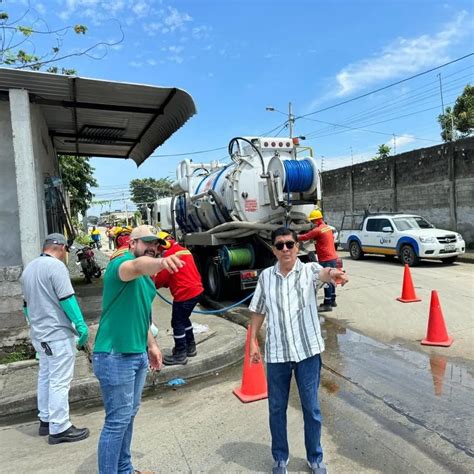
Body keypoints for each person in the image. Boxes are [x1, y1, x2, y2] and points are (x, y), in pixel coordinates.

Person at [249, 227, 348, 474]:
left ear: (297, 247)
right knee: (276, 408)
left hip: (307, 352)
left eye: (290, 244)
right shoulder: (266, 278)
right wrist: (252, 341)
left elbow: (325, 273)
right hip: (277, 354)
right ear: (273, 249)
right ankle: (280, 458)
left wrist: (335, 273)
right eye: (280, 245)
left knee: (311, 408)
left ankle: (315, 458)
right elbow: (258, 310)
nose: (285, 249)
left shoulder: (308, 270)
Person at [93, 225, 185, 474]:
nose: (153, 248)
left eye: (157, 245)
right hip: (114, 355)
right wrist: (164, 262)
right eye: (147, 243)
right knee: (117, 422)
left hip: (136, 353)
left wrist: (152, 346)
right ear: (132, 243)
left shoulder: (146, 277)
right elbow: (136, 267)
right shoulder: (121, 262)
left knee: (128, 416)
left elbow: (140, 314)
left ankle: (124, 469)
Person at [20, 233, 90, 445]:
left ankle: (46, 420)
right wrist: (81, 326)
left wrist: (35, 327)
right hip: (57, 334)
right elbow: (67, 299)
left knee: (46, 377)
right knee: (60, 381)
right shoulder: (56, 267)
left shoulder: (29, 269)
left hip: (40, 335)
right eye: (66, 251)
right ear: (60, 247)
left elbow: (26, 306)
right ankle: (60, 428)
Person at [153, 232, 204, 366]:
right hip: (196, 290)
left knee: (177, 322)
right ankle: (190, 346)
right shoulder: (183, 251)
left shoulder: (170, 256)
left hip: (184, 293)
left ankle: (180, 353)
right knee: (184, 318)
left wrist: (150, 281)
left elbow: (161, 280)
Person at [298, 210, 339, 312]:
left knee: (326, 280)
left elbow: (305, 237)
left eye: (312, 221)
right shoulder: (327, 228)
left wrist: (293, 236)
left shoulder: (317, 230)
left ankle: (327, 304)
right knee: (332, 279)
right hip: (333, 257)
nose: (312, 223)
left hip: (325, 258)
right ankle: (332, 300)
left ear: (316, 221)